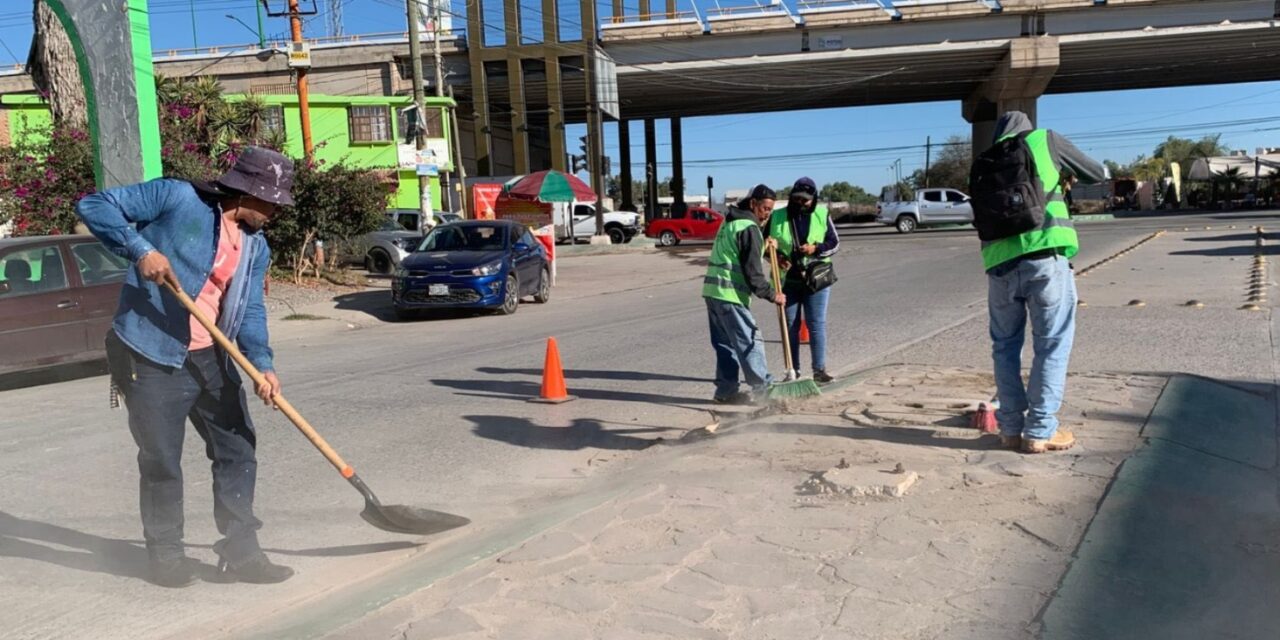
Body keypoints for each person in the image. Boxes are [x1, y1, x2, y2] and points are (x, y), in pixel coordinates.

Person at [77, 147, 296, 587]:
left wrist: (262, 364)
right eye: (271, 201)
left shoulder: (256, 247)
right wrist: (140, 250)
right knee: (161, 460)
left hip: (212, 356)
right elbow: (93, 205)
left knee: (237, 450)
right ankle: (166, 556)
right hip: (151, 354)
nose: (275, 211)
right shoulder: (178, 197)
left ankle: (241, 552)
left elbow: (251, 310)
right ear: (247, 192)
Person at [976, 111, 1107, 454]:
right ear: (1027, 127)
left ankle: (1009, 429)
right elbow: (1096, 173)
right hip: (1045, 258)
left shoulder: (986, 159)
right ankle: (1039, 430)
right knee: (1051, 345)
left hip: (998, 266)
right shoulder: (1045, 140)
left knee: (1004, 347)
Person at [703, 184, 786, 405]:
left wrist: (764, 246)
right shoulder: (750, 228)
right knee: (749, 341)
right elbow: (754, 275)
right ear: (753, 204)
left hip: (712, 292)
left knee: (725, 345)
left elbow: (736, 252)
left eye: (770, 210)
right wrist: (773, 295)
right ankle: (764, 392)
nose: (767, 214)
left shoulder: (730, 221)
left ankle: (726, 391)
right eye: (765, 208)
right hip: (730, 294)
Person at [764, 177, 840, 384]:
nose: (801, 203)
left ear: (814, 199)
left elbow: (835, 243)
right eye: (797, 199)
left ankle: (819, 371)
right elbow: (763, 245)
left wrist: (816, 249)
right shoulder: (777, 216)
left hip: (816, 280)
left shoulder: (822, 214)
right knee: (790, 325)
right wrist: (777, 257)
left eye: (805, 200)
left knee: (816, 324)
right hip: (788, 282)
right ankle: (793, 371)